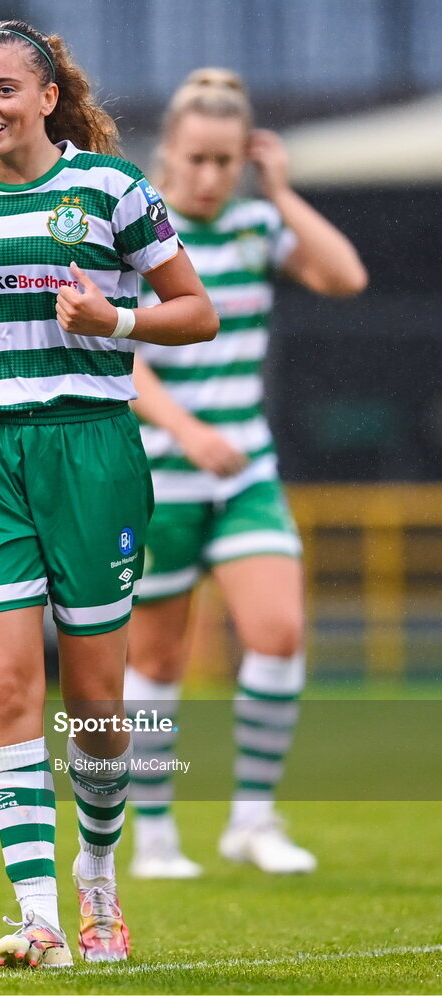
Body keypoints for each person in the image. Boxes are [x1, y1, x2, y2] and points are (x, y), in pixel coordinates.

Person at [0, 21, 217, 968]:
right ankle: (39, 918)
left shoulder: (111, 191)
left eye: (3, 89)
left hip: (93, 454)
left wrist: (112, 316)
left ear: (47, 98)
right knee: (7, 684)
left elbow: (194, 312)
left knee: (95, 704)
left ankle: (96, 875)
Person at [124, 68, 368, 879]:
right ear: (169, 155)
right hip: (160, 476)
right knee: (156, 663)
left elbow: (343, 277)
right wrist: (187, 432)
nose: (209, 176)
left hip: (244, 475)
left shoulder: (256, 224)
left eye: (226, 160)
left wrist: (284, 190)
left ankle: (252, 820)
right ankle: (154, 835)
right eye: (197, 158)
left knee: (279, 632)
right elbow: (117, 361)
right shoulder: (134, 231)